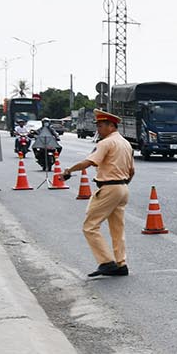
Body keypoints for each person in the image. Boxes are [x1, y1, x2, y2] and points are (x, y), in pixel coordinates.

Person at [62, 110, 135, 277]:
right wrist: (121, 185)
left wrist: (69, 169)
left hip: (109, 188)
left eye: (101, 126)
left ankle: (106, 262)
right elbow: (132, 171)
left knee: (90, 226)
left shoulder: (106, 143)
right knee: (117, 228)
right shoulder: (126, 144)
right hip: (123, 188)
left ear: (111, 126)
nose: (98, 129)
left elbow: (89, 161)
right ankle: (121, 263)